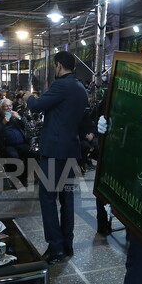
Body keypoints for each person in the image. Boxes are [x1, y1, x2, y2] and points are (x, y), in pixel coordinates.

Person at [23, 52, 89, 264]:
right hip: (71, 150)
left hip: (55, 152)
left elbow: (36, 106)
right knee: (67, 199)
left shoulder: (62, 85)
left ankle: (56, 247)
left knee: (48, 199)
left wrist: (28, 97)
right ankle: (67, 245)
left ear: (58, 65)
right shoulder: (80, 88)